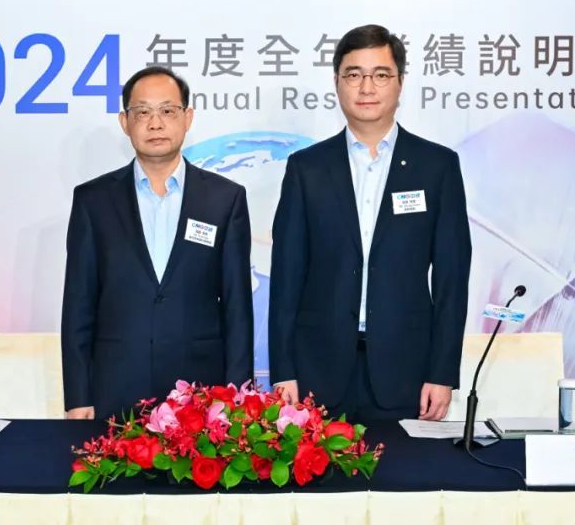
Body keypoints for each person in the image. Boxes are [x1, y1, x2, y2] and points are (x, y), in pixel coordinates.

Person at [269, 24, 471, 421]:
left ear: (400, 83)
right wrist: (283, 370)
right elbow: (286, 277)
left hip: (408, 373)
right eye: (354, 75)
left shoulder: (437, 167)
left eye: (380, 75)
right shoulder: (307, 169)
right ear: (337, 82)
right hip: (317, 373)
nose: (366, 87)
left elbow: (452, 278)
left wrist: (442, 373)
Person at [61, 66, 253, 420]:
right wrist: (77, 397)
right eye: (142, 112)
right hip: (114, 389)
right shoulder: (93, 201)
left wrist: (236, 397)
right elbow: (78, 307)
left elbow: (237, 308)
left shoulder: (224, 199)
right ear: (125, 122)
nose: (155, 123)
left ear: (187, 118)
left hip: (201, 393)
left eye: (167, 110)